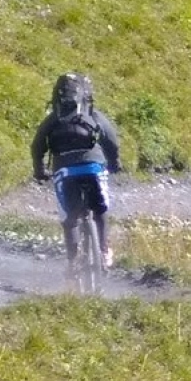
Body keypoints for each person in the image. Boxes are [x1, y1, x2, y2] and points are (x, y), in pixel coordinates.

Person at [30, 72, 122, 271]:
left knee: (70, 218)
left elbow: (37, 146)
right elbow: (111, 141)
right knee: (101, 211)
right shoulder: (93, 114)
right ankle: (104, 251)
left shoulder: (54, 117)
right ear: (86, 94)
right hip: (93, 166)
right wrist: (114, 163)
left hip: (64, 171)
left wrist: (40, 170)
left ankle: (72, 262)